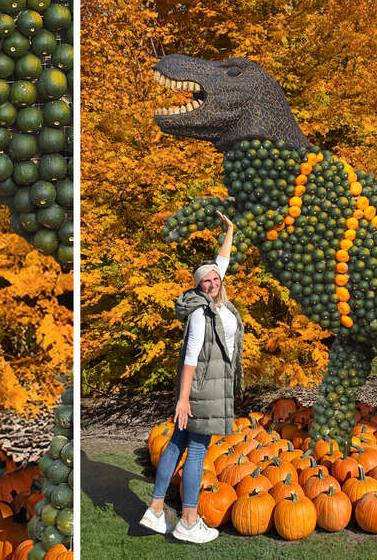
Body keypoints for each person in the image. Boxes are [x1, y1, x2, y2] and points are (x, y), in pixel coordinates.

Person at [139, 211, 243, 544]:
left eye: (215, 279)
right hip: (202, 390)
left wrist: (229, 230)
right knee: (197, 451)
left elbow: (222, 260)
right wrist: (183, 400)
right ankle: (187, 519)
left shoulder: (215, 297)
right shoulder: (200, 310)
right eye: (206, 281)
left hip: (210, 387)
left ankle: (155, 510)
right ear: (197, 286)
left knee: (176, 444)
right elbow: (190, 357)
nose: (212, 283)